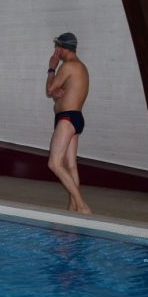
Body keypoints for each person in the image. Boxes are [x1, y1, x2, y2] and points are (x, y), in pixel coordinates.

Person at [46, 32, 92, 214]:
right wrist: (57, 92)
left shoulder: (68, 66)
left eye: (57, 48)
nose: (56, 51)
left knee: (54, 163)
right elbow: (60, 92)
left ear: (63, 48)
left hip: (67, 119)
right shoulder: (81, 67)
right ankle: (73, 207)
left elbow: (49, 89)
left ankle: (82, 205)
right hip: (75, 118)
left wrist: (51, 68)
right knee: (70, 164)